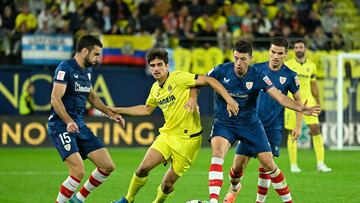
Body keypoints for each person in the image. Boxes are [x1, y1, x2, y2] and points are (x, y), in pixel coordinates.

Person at [190, 40, 320, 203]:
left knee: (269, 165)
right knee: (218, 155)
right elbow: (197, 82)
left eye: (243, 59)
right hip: (225, 122)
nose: (238, 63)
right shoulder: (221, 70)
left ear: (251, 58)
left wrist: (300, 108)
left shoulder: (258, 75)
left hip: (250, 124)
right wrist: (193, 98)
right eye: (236, 58)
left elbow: (279, 96)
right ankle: (215, 200)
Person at [109, 48, 239, 203]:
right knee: (142, 168)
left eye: (159, 65)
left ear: (166, 65)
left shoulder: (179, 77)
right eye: (153, 66)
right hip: (168, 135)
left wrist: (228, 100)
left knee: (167, 185)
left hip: (188, 141)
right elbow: (147, 109)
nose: (156, 69)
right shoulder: (155, 89)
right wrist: (118, 110)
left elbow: (209, 80)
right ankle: (128, 199)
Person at [222, 37, 303, 203]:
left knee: (266, 166)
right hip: (251, 125)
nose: (275, 56)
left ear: (286, 54)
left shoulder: (290, 76)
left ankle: (260, 201)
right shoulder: (256, 70)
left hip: (273, 127)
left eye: (280, 53)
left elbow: (298, 102)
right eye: (273, 52)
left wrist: (298, 125)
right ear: (269, 51)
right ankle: (234, 187)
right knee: (237, 168)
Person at [48, 35, 125, 203]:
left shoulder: (88, 71)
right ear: (84, 51)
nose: (98, 58)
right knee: (78, 171)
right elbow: (55, 98)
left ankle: (79, 199)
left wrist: (110, 113)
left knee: (107, 166)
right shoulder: (65, 68)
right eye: (96, 54)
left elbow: (91, 96)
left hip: (79, 124)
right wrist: (68, 121)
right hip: (61, 125)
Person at [284, 39, 332, 173]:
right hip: (293, 103)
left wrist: (318, 102)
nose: (299, 49)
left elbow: (314, 85)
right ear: (294, 50)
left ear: (305, 49)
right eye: (296, 47)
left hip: (309, 102)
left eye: (301, 47)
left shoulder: (311, 65)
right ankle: (293, 164)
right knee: (292, 132)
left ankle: (321, 163)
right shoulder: (287, 65)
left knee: (316, 130)